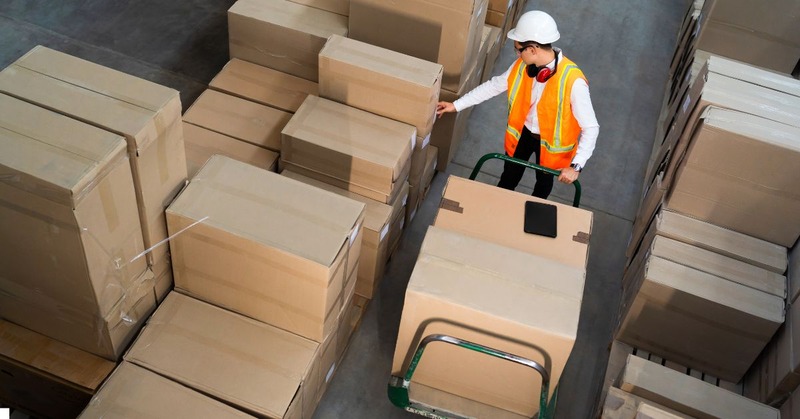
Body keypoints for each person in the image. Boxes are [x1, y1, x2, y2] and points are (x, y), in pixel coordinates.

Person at [437, 10, 599, 199]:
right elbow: (493, 86)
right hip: (523, 135)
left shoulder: (573, 81)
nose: (517, 54)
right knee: (508, 178)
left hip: (550, 149)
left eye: (519, 49)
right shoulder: (522, 68)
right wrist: (456, 105)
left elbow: (591, 128)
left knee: (542, 188)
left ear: (533, 49)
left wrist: (576, 166)